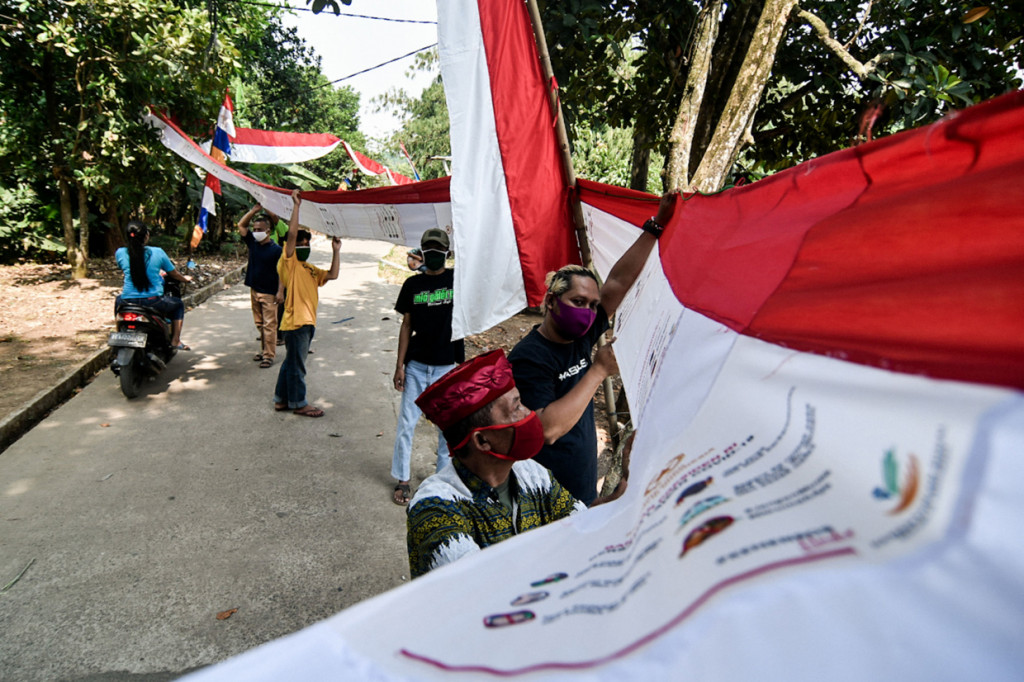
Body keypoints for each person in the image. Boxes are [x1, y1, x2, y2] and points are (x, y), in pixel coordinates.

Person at [508, 192, 677, 505]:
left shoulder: (581, 336)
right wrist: (598, 370)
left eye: (593, 305)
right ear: (551, 301)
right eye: (578, 302)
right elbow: (548, 429)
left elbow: (618, 282)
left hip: (581, 485)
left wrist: (656, 226)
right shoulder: (528, 357)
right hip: (547, 498)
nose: (587, 312)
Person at [407, 350, 627, 578]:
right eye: (517, 408)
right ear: (482, 441)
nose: (529, 413)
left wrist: (619, 500)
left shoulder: (531, 474)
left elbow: (577, 526)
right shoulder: (434, 510)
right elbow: (491, 588)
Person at [390, 228, 463, 505]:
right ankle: (403, 479)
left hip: (447, 367)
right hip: (417, 366)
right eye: (429, 249)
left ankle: (442, 480)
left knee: (447, 429)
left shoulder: (458, 280)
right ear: (422, 252)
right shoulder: (412, 285)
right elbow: (406, 325)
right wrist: (400, 365)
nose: (434, 253)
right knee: (406, 424)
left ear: (447, 252)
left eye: (439, 249)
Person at [273, 189, 342, 418]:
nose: (304, 246)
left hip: (307, 322)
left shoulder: (310, 269)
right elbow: (291, 235)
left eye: (306, 243)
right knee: (297, 365)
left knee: (290, 362)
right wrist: (296, 206)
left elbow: (332, 275)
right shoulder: (288, 262)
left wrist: (336, 251)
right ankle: (299, 403)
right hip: (296, 322)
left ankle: (281, 399)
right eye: (301, 243)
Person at [115, 220, 193, 349]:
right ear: (146, 236)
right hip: (152, 301)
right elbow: (173, 273)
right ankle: (175, 341)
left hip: (127, 301)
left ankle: (120, 333)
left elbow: (125, 268)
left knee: (118, 301)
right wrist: (185, 279)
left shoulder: (120, 253)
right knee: (178, 304)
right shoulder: (158, 252)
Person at [237, 204, 283, 368]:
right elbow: (241, 225)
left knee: (269, 325)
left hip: (269, 292)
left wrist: (280, 291)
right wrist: (254, 211)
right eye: (255, 229)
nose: (256, 232)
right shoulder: (253, 243)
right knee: (260, 324)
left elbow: (282, 273)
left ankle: (268, 356)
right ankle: (265, 351)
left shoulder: (277, 250)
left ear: (268, 231)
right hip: (255, 289)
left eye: (260, 229)